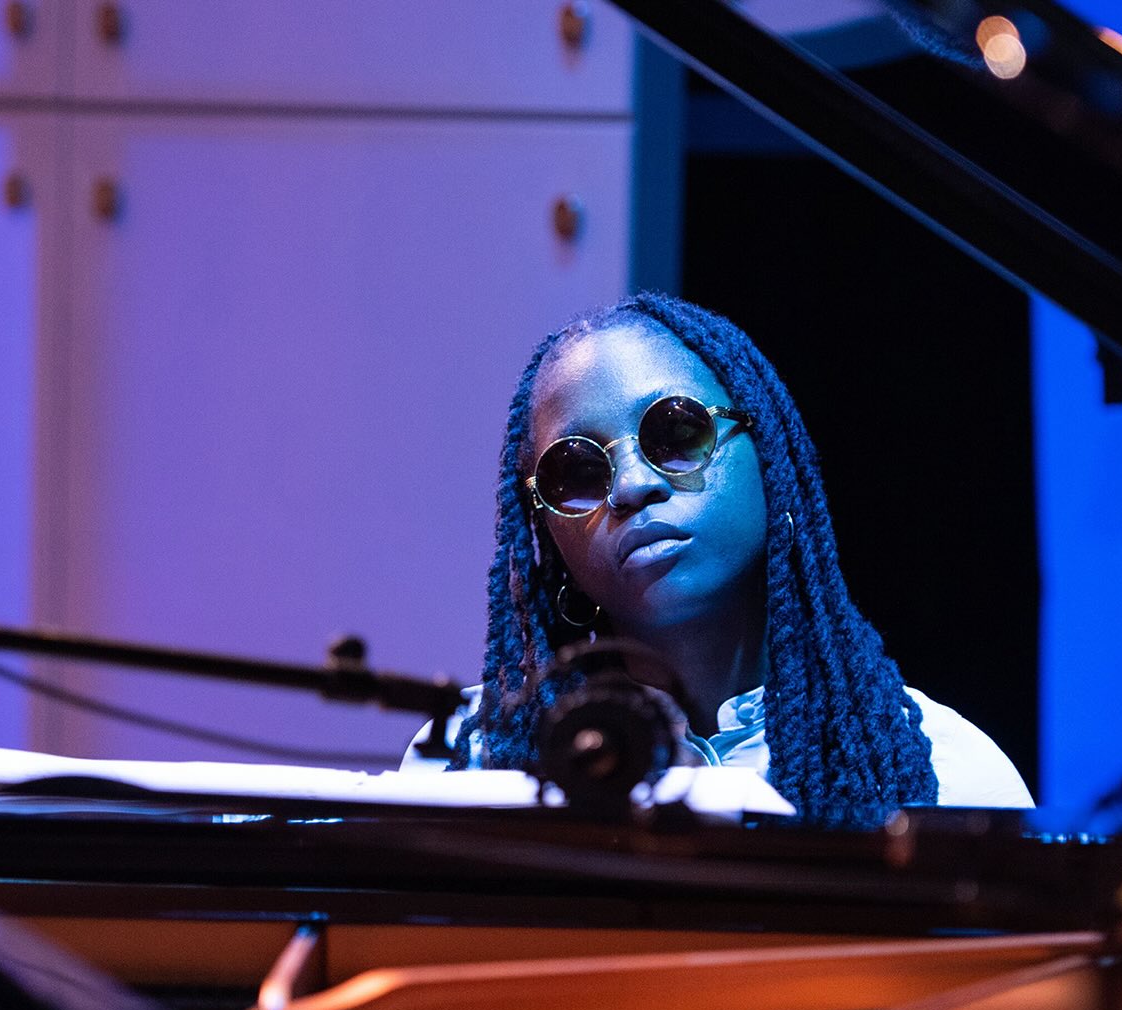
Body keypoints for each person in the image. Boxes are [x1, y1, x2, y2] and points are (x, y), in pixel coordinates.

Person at [404, 293, 1031, 824]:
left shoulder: (946, 775)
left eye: (675, 433)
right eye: (576, 471)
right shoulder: (473, 762)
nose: (629, 487)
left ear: (769, 461)